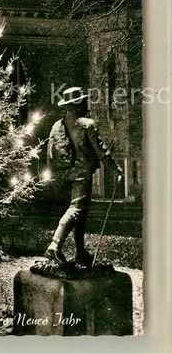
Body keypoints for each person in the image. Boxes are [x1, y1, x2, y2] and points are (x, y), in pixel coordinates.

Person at [44, 87, 123, 267]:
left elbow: (50, 154)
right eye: (84, 100)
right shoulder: (87, 124)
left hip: (66, 175)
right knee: (76, 210)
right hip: (82, 174)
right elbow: (102, 152)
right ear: (78, 104)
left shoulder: (59, 125)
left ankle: (80, 251)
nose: (87, 104)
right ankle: (54, 246)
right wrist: (116, 169)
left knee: (81, 213)